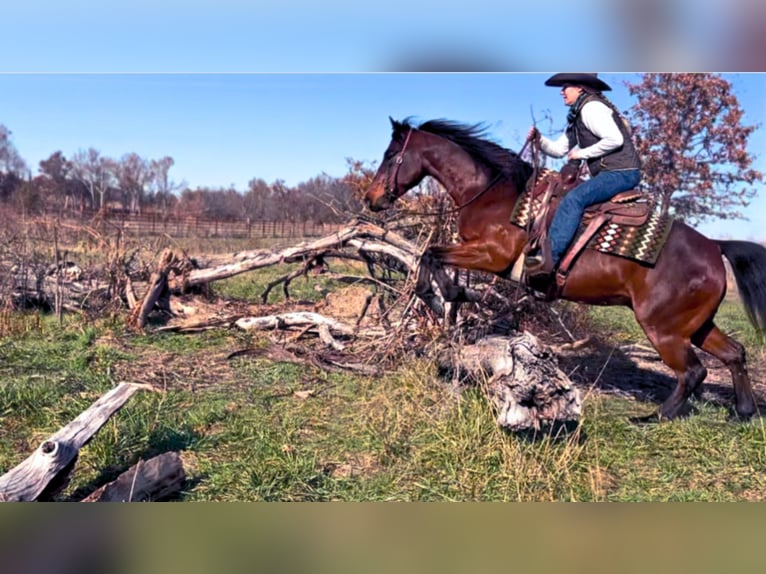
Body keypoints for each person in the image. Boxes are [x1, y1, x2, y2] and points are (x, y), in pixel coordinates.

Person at [525, 73, 641, 279]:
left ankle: (548, 260)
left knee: (574, 199)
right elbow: (560, 149)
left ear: (579, 88)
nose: (561, 91)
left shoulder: (591, 108)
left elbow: (614, 139)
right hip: (611, 172)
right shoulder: (578, 113)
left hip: (621, 173)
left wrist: (581, 153)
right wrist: (539, 140)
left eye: (565, 86)